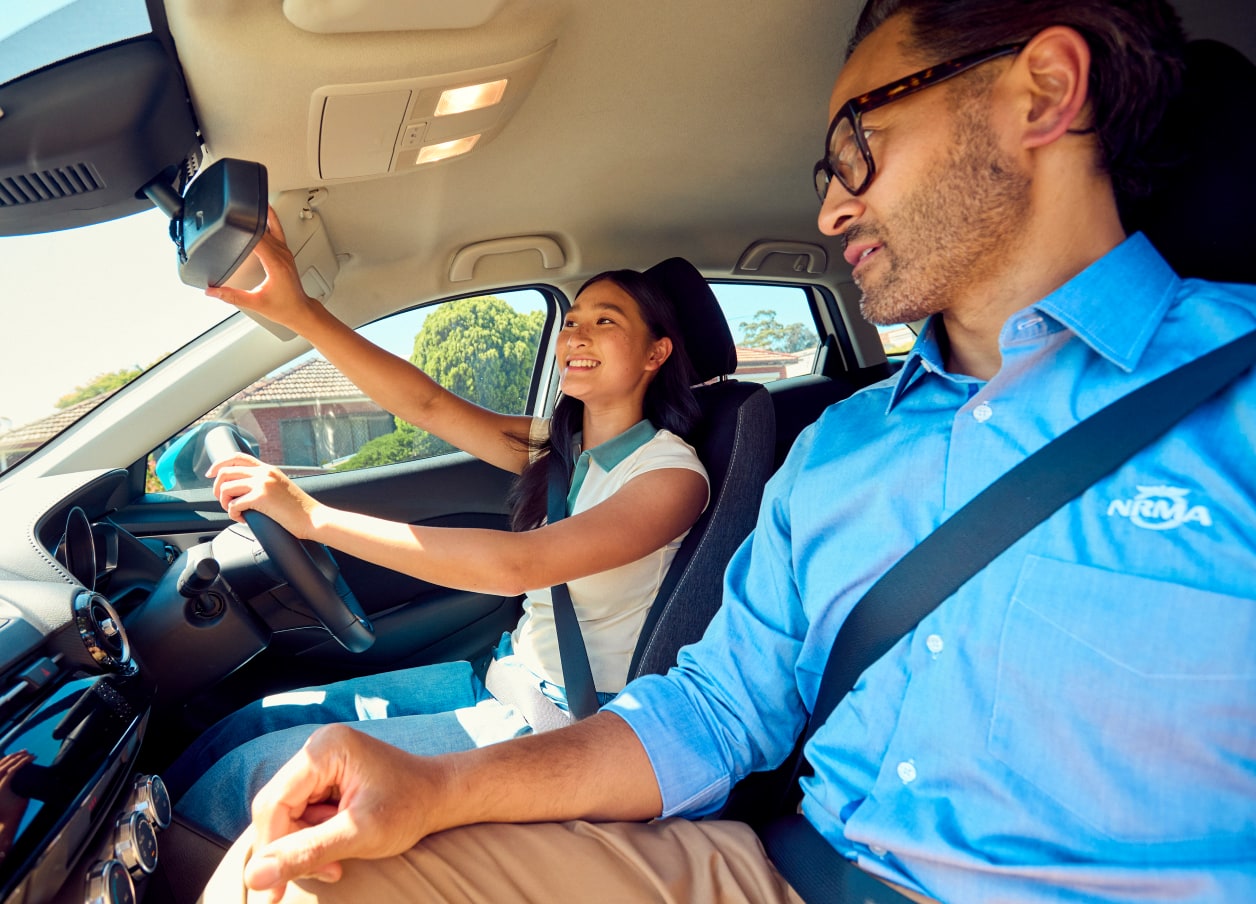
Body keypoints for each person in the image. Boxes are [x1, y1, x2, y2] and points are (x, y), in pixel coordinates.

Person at [202, 0, 1256, 901]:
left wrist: (313, 515)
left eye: (855, 147)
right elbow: (714, 708)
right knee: (294, 867)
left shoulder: (1234, 399)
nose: (831, 203)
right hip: (793, 874)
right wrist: (436, 790)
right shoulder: (835, 446)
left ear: (1041, 91)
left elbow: (518, 564)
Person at [164, 212, 710, 841]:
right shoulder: (559, 448)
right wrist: (302, 313)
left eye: (605, 321)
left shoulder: (672, 475)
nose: (575, 336)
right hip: (498, 680)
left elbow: (519, 565)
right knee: (256, 721)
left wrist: (312, 518)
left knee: (257, 775)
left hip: (559, 723)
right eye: (573, 321)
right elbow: (424, 404)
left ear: (656, 352)